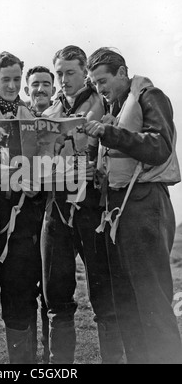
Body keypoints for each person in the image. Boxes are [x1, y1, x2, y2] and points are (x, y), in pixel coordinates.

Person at [85, 47, 182, 364]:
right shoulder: (113, 106)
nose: (100, 89)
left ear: (123, 73)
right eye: (96, 84)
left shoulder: (148, 95)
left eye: (103, 80)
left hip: (145, 205)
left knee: (152, 301)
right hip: (118, 210)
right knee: (126, 303)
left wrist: (111, 134)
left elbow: (160, 147)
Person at [41, 45, 124, 364]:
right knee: (56, 298)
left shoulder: (105, 103)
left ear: (85, 72)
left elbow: (120, 151)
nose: (63, 79)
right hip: (57, 209)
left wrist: (98, 168)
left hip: (94, 210)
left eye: (70, 72)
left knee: (106, 299)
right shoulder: (47, 114)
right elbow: (35, 168)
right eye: (59, 73)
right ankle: (59, 368)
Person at [0, 51, 45, 364]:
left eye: (17, 79)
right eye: (6, 80)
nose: (12, 85)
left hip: (23, 205)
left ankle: (24, 361)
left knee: (21, 280)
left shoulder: (27, 111)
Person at [24, 65, 56, 363]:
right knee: (23, 291)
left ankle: (49, 359)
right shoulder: (17, 122)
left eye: (46, 84)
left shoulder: (61, 120)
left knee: (50, 292)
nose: (41, 90)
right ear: (27, 90)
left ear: (53, 90)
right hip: (22, 216)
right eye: (35, 85)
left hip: (53, 211)